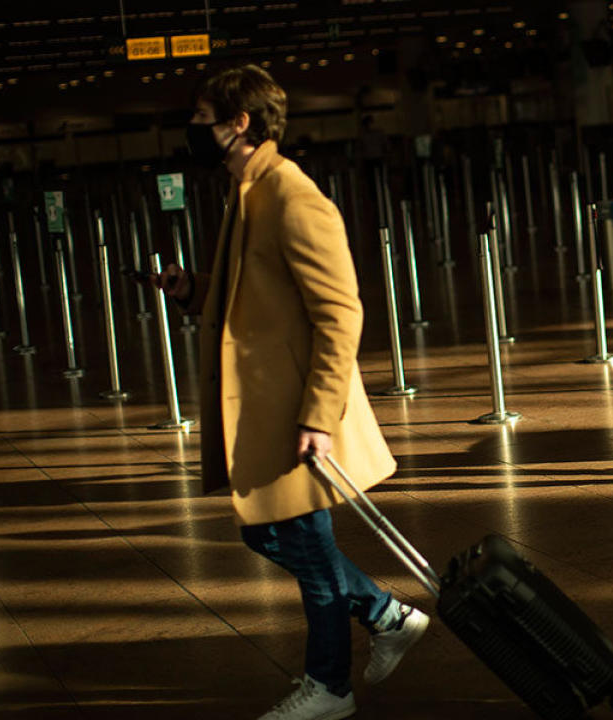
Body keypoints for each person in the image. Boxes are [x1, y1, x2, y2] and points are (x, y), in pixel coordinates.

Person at [150, 65, 428, 720]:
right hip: (270, 408)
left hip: (294, 412)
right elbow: (261, 292)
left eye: (200, 116)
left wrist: (318, 416)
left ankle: (330, 685)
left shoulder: (290, 194)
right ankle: (388, 616)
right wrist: (194, 290)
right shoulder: (248, 190)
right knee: (269, 536)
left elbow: (341, 313)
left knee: (301, 540)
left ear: (237, 122)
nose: (192, 129)